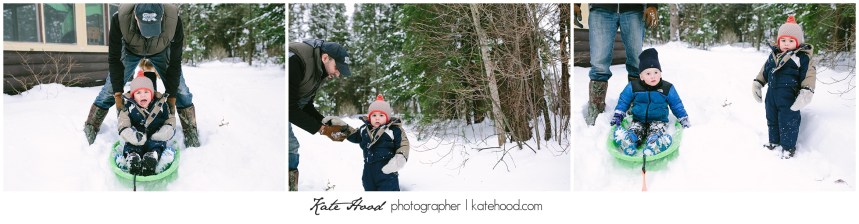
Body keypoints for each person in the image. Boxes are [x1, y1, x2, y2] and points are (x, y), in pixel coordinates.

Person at [83, 3, 200, 148]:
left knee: (181, 89)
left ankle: (190, 129)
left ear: (162, 17)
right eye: (145, 27)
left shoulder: (173, 20)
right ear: (136, 18)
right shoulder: (120, 19)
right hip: (131, 50)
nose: (149, 34)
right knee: (109, 89)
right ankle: (91, 125)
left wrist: (171, 98)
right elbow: (114, 59)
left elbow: (175, 63)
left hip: (161, 50)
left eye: (153, 28)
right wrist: (118, 96)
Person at [577, 3, 659, 126]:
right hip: (601, 9)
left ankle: (637, 105)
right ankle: (596, 107)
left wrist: (652, 4)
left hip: (634, 9)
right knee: (599, 63)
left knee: (637, 63)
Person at [288, 39, 354, 191]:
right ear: (325, 58)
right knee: (290, 145)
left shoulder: (319, 71)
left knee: (290, 146)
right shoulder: (296, 60)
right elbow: (289, 108)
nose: (337, 74)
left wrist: (325, 123)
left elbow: (305, 105)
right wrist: (322, 129)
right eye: (337, 68)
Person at [752, 15, 816, 159]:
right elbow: (765, 70)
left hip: (789, 97)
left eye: (791, 40)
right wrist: (758, 82)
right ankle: (774, 142)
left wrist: (806, 92)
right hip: (772, 96)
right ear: (779, 41)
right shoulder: (774, 55)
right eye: (783, 40)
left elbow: (809, 75)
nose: (786, 43)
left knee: (788, 121)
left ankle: (788, 148)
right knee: (772, 119)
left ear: (798, 42)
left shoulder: (801, 57)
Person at [610, 48, 690, 156]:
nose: (653, 76)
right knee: (635, 130)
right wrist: (619, 114)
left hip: (659, 120)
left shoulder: (667, 88)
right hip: (639, 120)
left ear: (660, 73)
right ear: (641, 76)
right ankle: (629, 142)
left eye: (656, 72)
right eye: (648, 73)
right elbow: (624, 100)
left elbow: (676, 104)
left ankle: (654, 145)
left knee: (656, 132)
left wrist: (683, 118)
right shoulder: (633, 86)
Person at [118, 67, 175, 176]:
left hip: (156, 135)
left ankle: (152, 157)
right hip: (137, 135)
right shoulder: (128, 107)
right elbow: (123, 122)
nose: (143, 95)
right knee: (131, 144)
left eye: (146, 92)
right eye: (138, 92)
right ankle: (133, 157)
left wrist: (165, 131)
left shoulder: (161, 105)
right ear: (133, 96)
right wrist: (130, 134)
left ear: (152, 94)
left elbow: (170, 119)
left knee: (157, 144)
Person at [345, 95, 409, 191]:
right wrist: (340, 128)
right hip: (368, 171)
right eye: (374, 115)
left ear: (387, 117)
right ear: (370, 117)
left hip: (387, 170)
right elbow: (353, 135)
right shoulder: (364, 129)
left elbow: (403, 145)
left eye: (381, 115)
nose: (377, 118)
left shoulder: (394, 130)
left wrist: (399, 160)